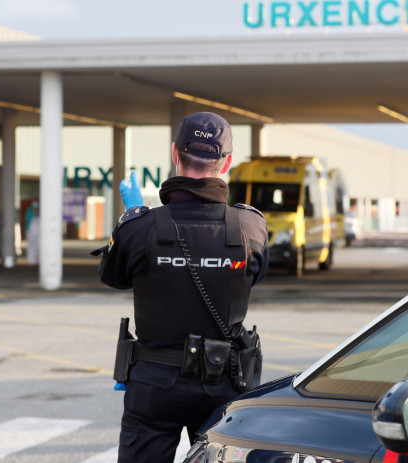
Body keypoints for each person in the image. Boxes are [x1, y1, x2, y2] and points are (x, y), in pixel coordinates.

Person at [95, 112, 269, 463]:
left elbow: (111, 276)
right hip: (224, 381)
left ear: (175, 154)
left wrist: (131, 220)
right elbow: (254, 276)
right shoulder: (251, 227)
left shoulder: (141, 227)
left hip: (153, 383)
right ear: (228, 162)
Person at [25, 201, 40, 265]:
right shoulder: (29, 212)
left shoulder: (41, 212)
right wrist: (33, 213)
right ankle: (32, 261)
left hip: (39, 232)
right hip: (31, 232)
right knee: (31, 246)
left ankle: (38, 260)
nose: (36, 209)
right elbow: (27, 219)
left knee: (39, 246)